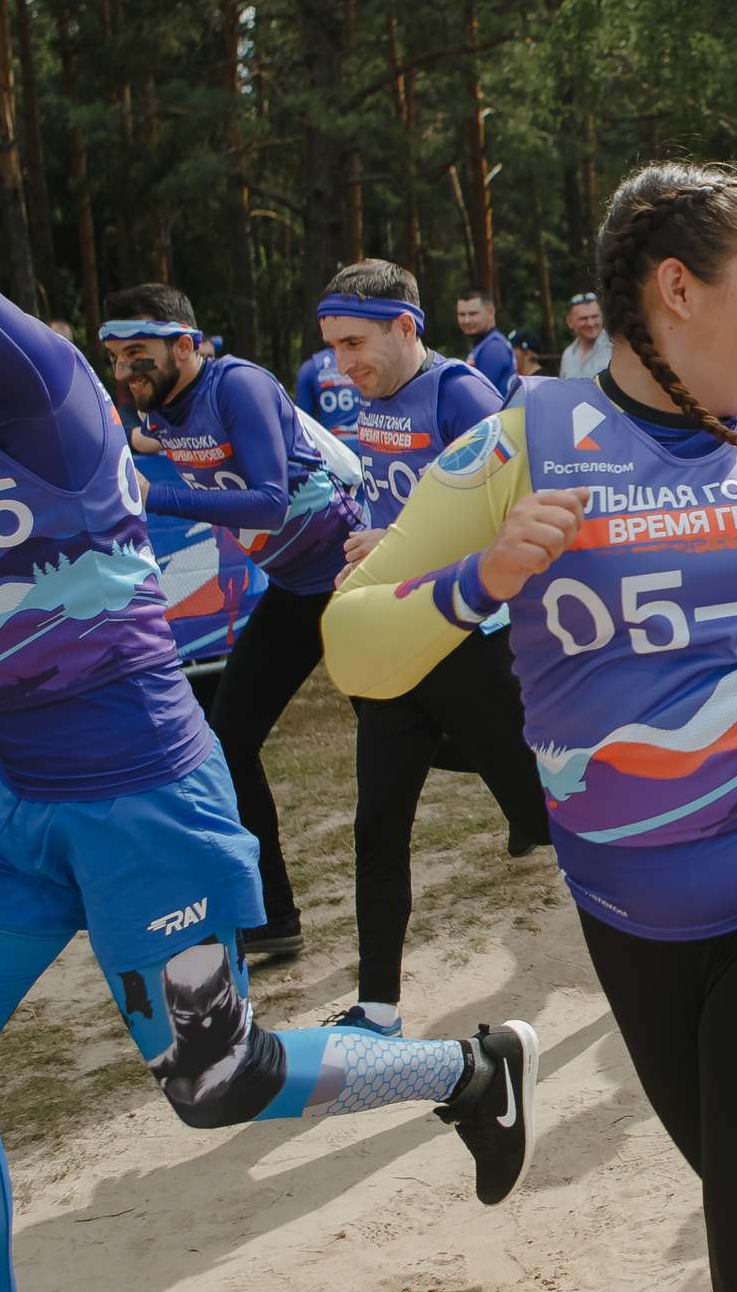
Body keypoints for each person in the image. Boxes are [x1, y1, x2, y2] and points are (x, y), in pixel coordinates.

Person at [0, 36, 538, 1292]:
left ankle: (467, 1069)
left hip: (141, 801)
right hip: (20, 810)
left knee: (213, 1083)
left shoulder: (28, 384)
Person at [323, 162, 737, 1288]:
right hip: (634, 918)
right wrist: (481, 580)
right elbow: (353, 642)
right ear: (676, 289)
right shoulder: (528, 437)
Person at [100, 283, 368, 958]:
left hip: (352, 579)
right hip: (294, 592)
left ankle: (538, 797)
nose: (125, 369)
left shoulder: (237, 386)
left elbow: (271, 503)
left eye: (138, 353)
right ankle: (273, 916)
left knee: (423, 729)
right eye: (112, 356)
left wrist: (150, 494)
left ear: (185, 345)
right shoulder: (160, 409)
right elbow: (140, 433)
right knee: (228, 739)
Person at [317, 259, 550, 1032]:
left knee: (544, 818)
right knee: (377, 824)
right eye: (332, 347)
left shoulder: (460, 393)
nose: (342, 364)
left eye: (354, 342)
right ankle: (377, 1006)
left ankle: (670, 928)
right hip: (395, 635)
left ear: (405, 327)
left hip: (467, 643)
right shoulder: (372, 396)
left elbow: (516, 504)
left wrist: (400, 539)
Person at [292, 341, 365, 447]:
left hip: (332, 451)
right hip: (364, 448)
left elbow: (302, 427)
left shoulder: (311, 367)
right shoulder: (311, 368)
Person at [455, 286, 521, 399]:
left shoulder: (493, 347)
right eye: (461, 314)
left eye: (473, 314)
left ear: (491, 312)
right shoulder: (483, 343)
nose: (466, 320)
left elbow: (480, 398)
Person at [557, 291, 612, 379]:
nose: (590, 323)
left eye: (594, 317)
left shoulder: (615, 348)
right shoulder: (568, 355)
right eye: (583, 318)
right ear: (569, 322)